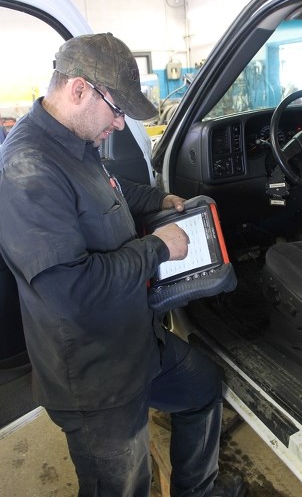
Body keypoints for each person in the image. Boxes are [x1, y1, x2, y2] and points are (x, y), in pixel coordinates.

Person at [0, 33, 246, 497]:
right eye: (117, 111)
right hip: (95, 380)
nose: (119, 124)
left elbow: (109, 190)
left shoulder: (75, 142)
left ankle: (198, 491)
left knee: (202, 388)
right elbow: (72, 293)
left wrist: (159, 199)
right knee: (125, 484)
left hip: (137, 344)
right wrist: (156, 247)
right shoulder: (28, 170)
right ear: (78, 90)